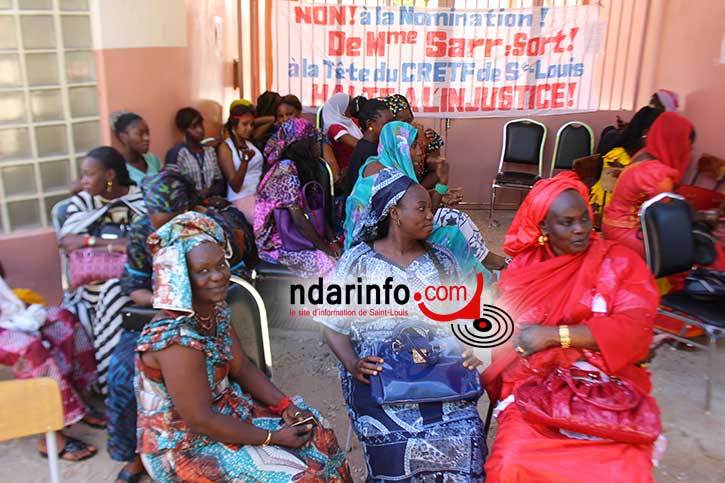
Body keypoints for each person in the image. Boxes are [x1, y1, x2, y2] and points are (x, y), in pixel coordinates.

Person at [134, 211, 351, 481]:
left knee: (318, 432)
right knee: (299, 477)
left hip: (228, 414)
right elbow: (201, 420)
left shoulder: (215, 310)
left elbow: (242, 366)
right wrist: (274, 437)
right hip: (189, 445)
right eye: (203, 271)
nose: (218, 276)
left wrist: (285, 406)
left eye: (220, 265)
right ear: (179, 278)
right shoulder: (175, 339)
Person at [482, 172, 662, 482]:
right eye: (567, 223)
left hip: (606, 383)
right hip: (536, 384)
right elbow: (508, 338)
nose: (580, 229)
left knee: (625, 469)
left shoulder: (618, 262)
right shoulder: (524, 271)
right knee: (511, 462)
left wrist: (555, 337)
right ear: (543, 228)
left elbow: (636, 329)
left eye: (583, 218)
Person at [320, 168, 487, 481]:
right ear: (394, 213)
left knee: (467, 438)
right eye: (420, 209)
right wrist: (353, 363)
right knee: (398, 448)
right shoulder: (358, 262)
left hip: (441, 378)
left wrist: (471, 347)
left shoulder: (443, 260)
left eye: (431, 209)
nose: (430, 216)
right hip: (382, 383)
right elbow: (332, 324)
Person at [345, 121, 507, 277]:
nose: (420, 152)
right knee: (451, 237)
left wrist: (440, 190)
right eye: (414, 146)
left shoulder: (379, 163)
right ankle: (481, 279)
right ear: (399, 148)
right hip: (379, 246)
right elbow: (420, 217)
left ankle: (483, 265)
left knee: (457, 218)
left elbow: (418, 210)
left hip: (393, 233)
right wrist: (441, 186)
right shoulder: (389, 179)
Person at [57, 146, 146, 392]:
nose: (82, 180)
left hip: (132, 280)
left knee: (113, 293)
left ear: (109, 175)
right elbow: (66, 242)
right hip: (87, 286)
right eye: (82, 174)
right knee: (72, 313)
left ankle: (114, 386)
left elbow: (143, 245)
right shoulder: (83, 202)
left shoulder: (139, 200)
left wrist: (91, 242)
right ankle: (104, 384)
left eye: (89, 174)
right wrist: (114, 245)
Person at [0, 274, 101, 462]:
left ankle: (76, 399)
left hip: (8, 315)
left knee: (63, 318)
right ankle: (51, 434)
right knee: (30, 349)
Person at [602, 112, 695, 257]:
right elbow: (666, 219)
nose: (689, 152)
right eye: (688, 146)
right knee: (678, 252)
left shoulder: (644, 155)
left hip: (611, 224)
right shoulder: (659, 175)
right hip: (626, 233)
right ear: (677, 144)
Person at [256, 118, 339, 277]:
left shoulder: (304, 166)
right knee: (330, 266)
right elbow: (299, 220)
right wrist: (326, 249)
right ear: (301, 143)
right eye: (313, 141)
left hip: (298, 237)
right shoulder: (285, 170)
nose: (317, 146)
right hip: (276, 245)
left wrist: (332, 240)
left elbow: (315, 208)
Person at [590, 106, 663, 223]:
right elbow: (613, 196)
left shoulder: (649, 156)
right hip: (609, 215)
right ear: (645, 133)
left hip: (630, 213)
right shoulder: (618, 157)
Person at [165, 107, 226, 204]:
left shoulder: (210, 151)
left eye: (201, 124)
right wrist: (197, 197)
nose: (200, 130)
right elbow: (172, 188)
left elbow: (219, 181)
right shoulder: (177, 153)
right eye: (194, 127)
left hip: (212, 203)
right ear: (183, 130)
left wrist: (210, 192)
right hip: (189, 207)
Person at [219, 101, 264, 224]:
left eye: (252, 124)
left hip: (258, 195)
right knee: (264, 221)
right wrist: (245, 161)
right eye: (245, 124)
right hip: (240, 198)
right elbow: (235, 186)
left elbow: (270, 120)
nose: (249, 128)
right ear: (234, 126)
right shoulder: (226, 147)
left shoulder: (249, 143)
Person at [343, 97, 392, 196]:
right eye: (387, 124)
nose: (391, 128)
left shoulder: (373, 146)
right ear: (370, 124)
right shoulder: (368, 151)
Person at [384, 94, 445, 161]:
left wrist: (427, 142)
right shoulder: (385, 141)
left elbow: (434, 161)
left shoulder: (418, 134)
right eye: (403, 122)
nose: (408, 125)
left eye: (409, 120)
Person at [111, 112, 162, 185]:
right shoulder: (117, 168)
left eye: (147, 133)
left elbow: (165, 181)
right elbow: (109, 189)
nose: (147, 138)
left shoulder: (152, 159)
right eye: (140, 134)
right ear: (123, 137)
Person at [322, 93, 363, 183]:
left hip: (359, 164)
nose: (354, 108)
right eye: (351, 105)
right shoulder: (334, 128)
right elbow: (358, 145)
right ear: (342, 108)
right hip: (347, 173)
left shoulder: (352, 122)